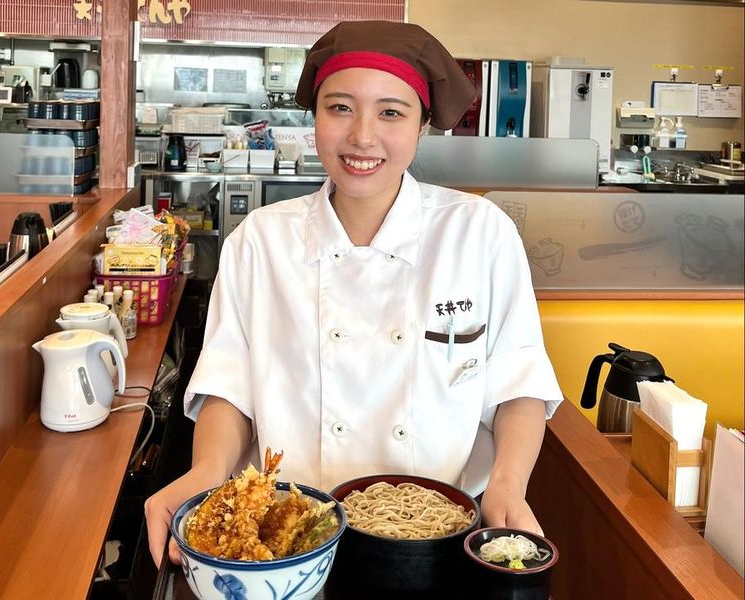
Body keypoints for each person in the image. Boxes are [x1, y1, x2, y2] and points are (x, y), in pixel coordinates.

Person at [145, 20, 563, 566]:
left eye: (391, 112)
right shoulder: (261, 240)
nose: (363, 136)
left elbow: (516, 381)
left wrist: (507, 485)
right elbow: (231, 385)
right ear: (314, 117)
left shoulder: (479, 232)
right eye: (340, 107)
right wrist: (206, 473)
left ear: (422, 125)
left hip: (438, 533)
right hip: (290, 535)